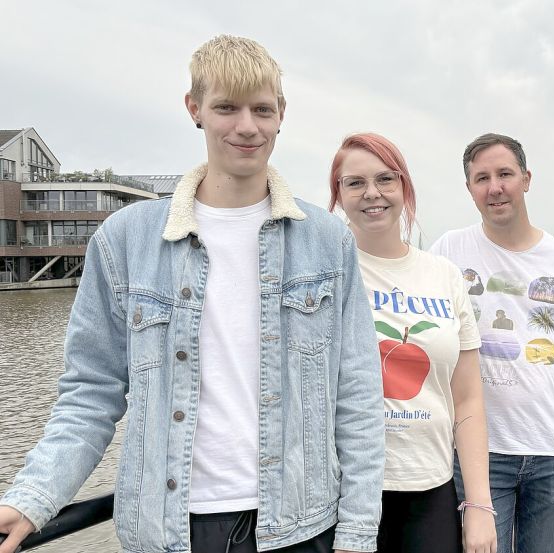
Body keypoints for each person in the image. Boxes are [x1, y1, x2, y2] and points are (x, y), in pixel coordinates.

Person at [0, 36, 384, 553]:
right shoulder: (125, 239)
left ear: (281, 115)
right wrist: (33, 496)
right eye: (227, 107)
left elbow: (357, 398)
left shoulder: (326, 240)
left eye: (262, 109)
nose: (247, 126)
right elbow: (91, 393)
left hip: (301, 525)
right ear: (195, 109)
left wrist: (358, 536)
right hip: (169, 530)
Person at [430, 133, 554, 553]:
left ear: (526, 179)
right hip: (477, 456)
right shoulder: (448, 251)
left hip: (551, 451)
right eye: (482, 178)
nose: (495, 187)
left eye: (505, 174)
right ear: (470, 188)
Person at [329, 133, 496, 553]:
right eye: (354, 183)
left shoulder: (443, 275)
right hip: (342, 492)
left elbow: (468, 399)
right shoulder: (326, 273)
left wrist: (478, 504)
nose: (372, 193)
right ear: (338, 194)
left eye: (386, 179)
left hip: (430, 487)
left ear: (405, 188)